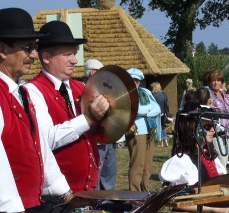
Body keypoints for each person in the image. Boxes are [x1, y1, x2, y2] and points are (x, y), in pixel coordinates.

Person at [0, 8, 73, 213]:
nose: (33, 55)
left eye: (34, 47)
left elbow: (41, 151)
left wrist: (65, 194)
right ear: (2, 49)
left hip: (30, 205)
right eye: (28, 47)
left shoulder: (21, 93)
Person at [25, 21, 110, 193]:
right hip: (56, 196)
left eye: (74, 53)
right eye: (67, 54)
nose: (74, 60)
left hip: (88, 189)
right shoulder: (32, 91)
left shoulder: (81, 88)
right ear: (46, 57)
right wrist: (88, 118)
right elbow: (47, 138)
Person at [159, 103, 229, 212]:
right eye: (207, 127)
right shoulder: (182, 160)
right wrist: (214, 210)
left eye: (213, 126)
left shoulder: (209, 155)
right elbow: (175, 202)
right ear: (192, 130)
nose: (212, 130)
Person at [125, 68, 161, 192]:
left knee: (147, 165)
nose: (135, 83)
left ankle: (145, 191)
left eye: (137, 81)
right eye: (133, 80)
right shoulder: (124, 94)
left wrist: (143, 112)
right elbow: (135, 109)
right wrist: (147, 110)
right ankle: (134, 194)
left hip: (149, 130)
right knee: (137, 165)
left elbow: (157, 108)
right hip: (137, 132)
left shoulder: (145, 92)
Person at [84, 58, 117, 191]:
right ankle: (96, 202)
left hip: (108, 135)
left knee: (109, 170)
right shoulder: (83, 89)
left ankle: (108, 200)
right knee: (97, 169)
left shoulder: (103, 88)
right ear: (92, 73)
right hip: (96, 137)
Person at [207, 69, 229, 168]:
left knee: (224, 158)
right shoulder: (207, 94)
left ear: (222, 82)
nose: (216, 83)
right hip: (216, 131)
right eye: (213, 80)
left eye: (218, 80)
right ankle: (221, 180)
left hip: (227, 130)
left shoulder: (223, 94)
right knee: (221, 159)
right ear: (209, 82)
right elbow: (206, 112)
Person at [151, 82, 169, 147]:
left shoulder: (153, 96)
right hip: (163, 113)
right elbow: (166, 105)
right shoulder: (164, 94)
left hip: (156, 113)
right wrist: (167, 113)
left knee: (159, 127)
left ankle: (161, 142)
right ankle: (165, 141)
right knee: (162, 127)